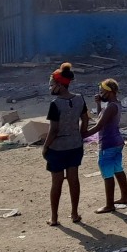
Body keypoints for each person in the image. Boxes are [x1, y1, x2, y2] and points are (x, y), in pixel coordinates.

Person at [42, 62, 89, 226]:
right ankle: (75, 214)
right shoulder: (79, 99)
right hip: (75, 145)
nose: (50, 87)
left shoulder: (55, 104)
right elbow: (85, 119)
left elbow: (53, 129)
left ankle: (54, 218)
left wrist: (45, 146)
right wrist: (81, 135)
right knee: (73, 180)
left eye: (52, 84)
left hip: (58, 148)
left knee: (57, 183)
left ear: (60, 85)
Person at [85, 78, 127, 213]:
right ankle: (125, 197)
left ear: (109, 92)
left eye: (101, 92)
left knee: (107, 174)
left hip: (108, 143)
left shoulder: (111, 107)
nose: (99, 94)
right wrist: (98, 104)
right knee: (118, 170)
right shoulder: (115, 104)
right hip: (117, 142)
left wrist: (82, 135)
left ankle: (109, 205)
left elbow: (99, 125)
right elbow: (100, 118)